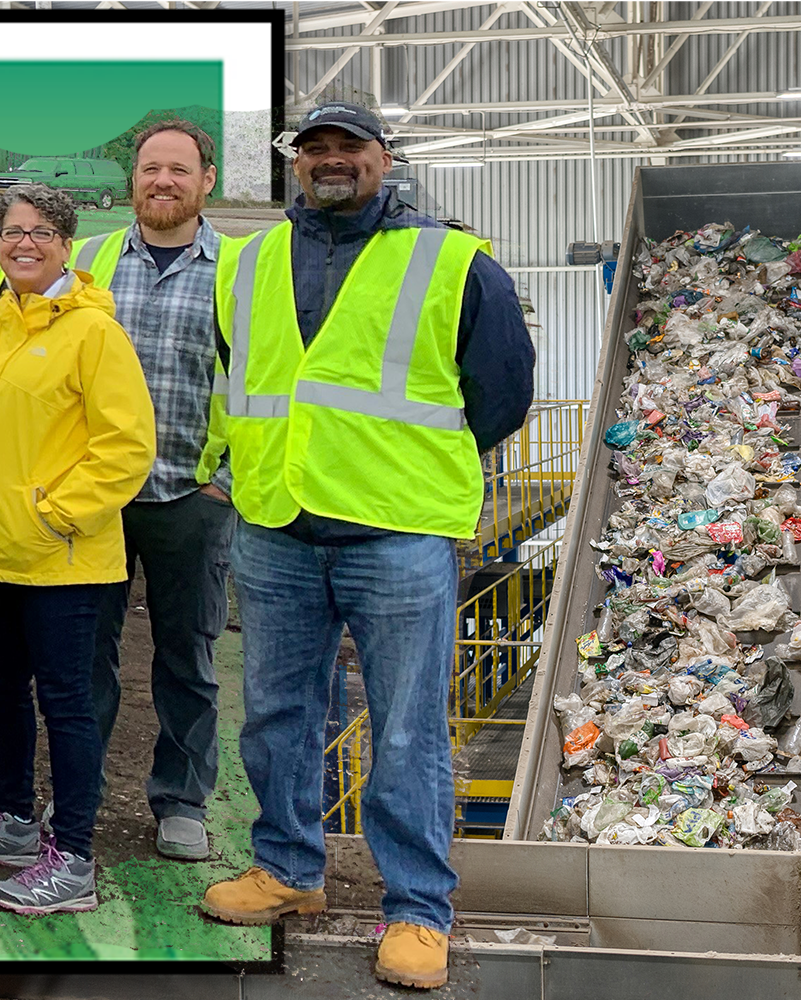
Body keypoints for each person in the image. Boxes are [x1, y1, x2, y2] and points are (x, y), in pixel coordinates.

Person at [196, 102, 533, 992]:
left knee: (408, 728)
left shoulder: (454, 260)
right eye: (314, 150)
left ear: (385, 159)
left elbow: (500, 395)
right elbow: (240, 373)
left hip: (396, 534)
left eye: (349, 147)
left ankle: (419, 908)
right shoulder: (251, 259)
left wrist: (405, 473)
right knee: (275, 715)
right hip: (276, 527)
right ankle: (288, 870)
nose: (331, 161)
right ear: (294, 166)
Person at [0, 184, 156, 916]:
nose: (24, 243)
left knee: (66, 704)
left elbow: (126, 448)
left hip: (62, 558)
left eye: (42, 233)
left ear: (66, 244)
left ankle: (76, 858)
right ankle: (15, 820)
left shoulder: (94, 334)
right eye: (12, 231)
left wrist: (55, 517)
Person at [66, 120, 235, 863]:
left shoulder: (241, 269)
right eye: (149, 169)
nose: (161, 181)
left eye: (178, 169)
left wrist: (226, 482)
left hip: (191, 496)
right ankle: (76, 797)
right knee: (82, 658)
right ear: (131, 180)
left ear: (206, 180)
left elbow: (268, 379)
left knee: (187, 657)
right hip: (95, 499)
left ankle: (182, 801)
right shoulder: (88, 263)